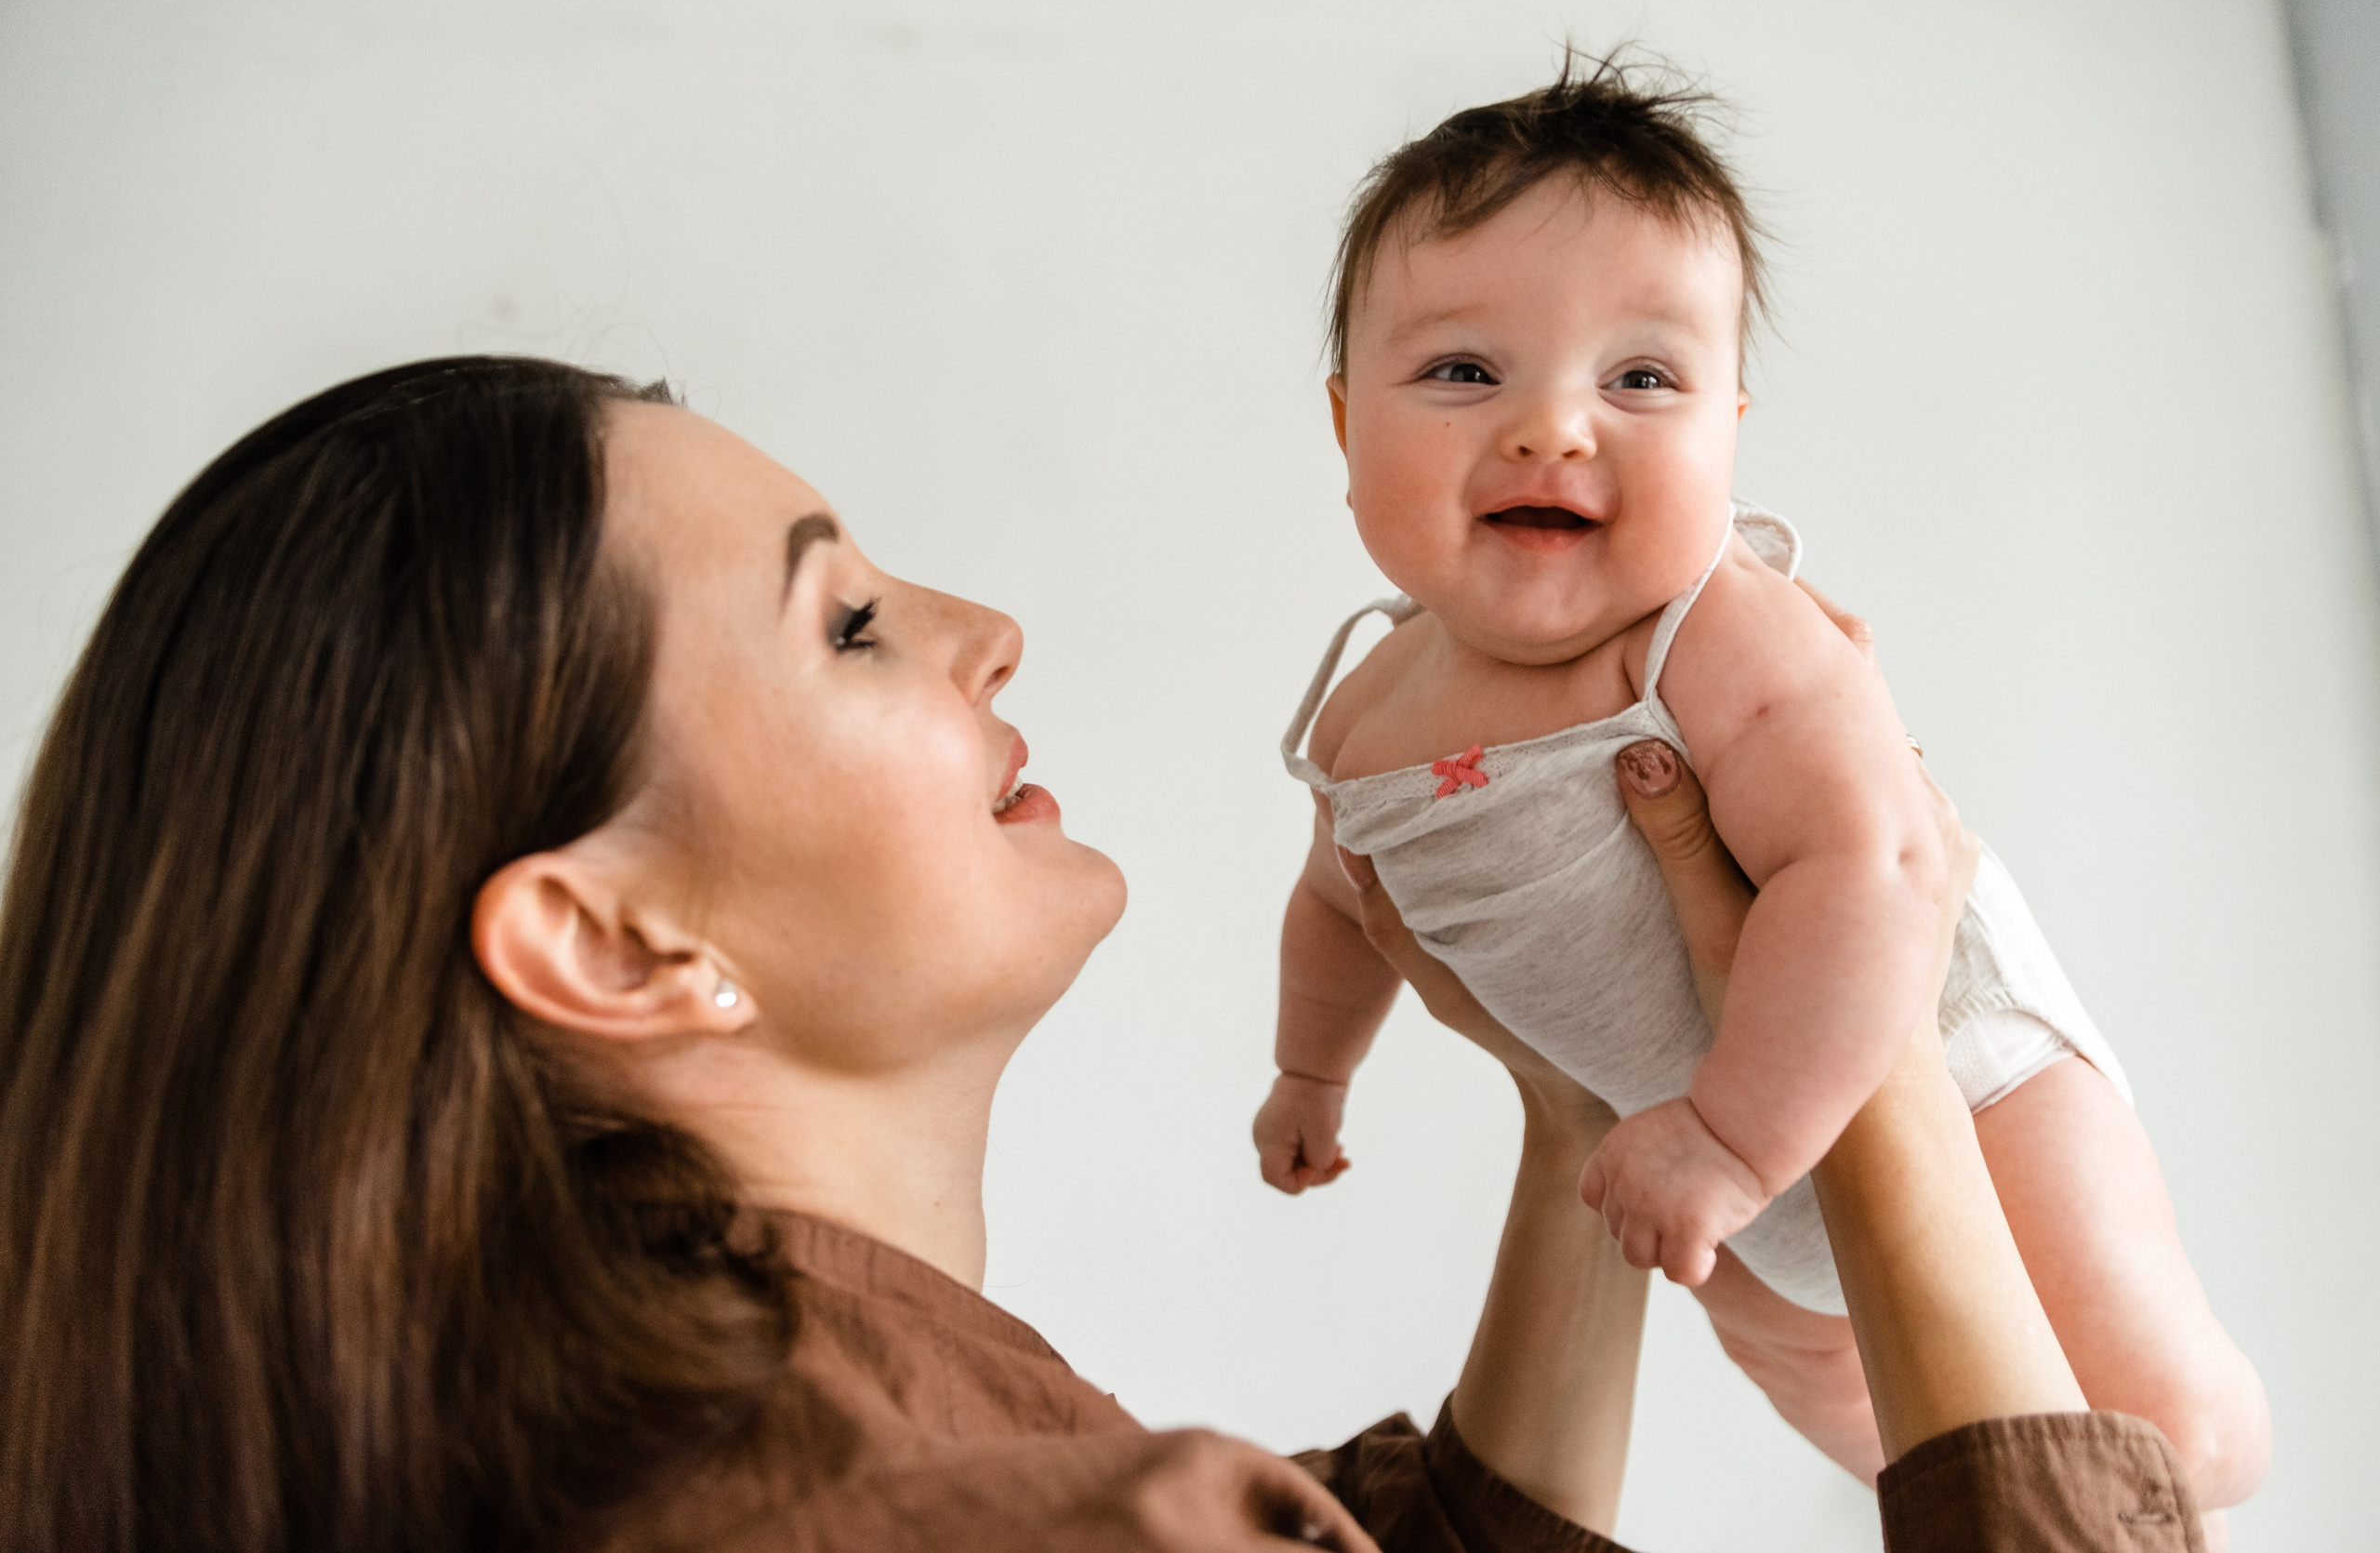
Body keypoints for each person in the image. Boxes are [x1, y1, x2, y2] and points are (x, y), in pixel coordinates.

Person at [0, 355, 2204, 1552]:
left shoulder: (766, 1440)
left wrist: (1579, 1089)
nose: (983, 631)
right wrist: (1870, 981)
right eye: (848, 618)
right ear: (610, 933)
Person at [1251, 51, 2267, 1515]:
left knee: (2154, 1429)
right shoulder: (1364, 713)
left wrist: (1733, 1136)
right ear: (1349, 429)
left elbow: (1878, 868)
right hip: (1691, 1154)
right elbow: (1337, 905)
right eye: (1464, 372)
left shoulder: (1715, 634)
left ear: (1729, 431)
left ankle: (2208, 1454)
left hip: (1948, 1086)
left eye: (1642, 379)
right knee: (1857, 1416)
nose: (1552, 425)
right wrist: (1311, 1068)